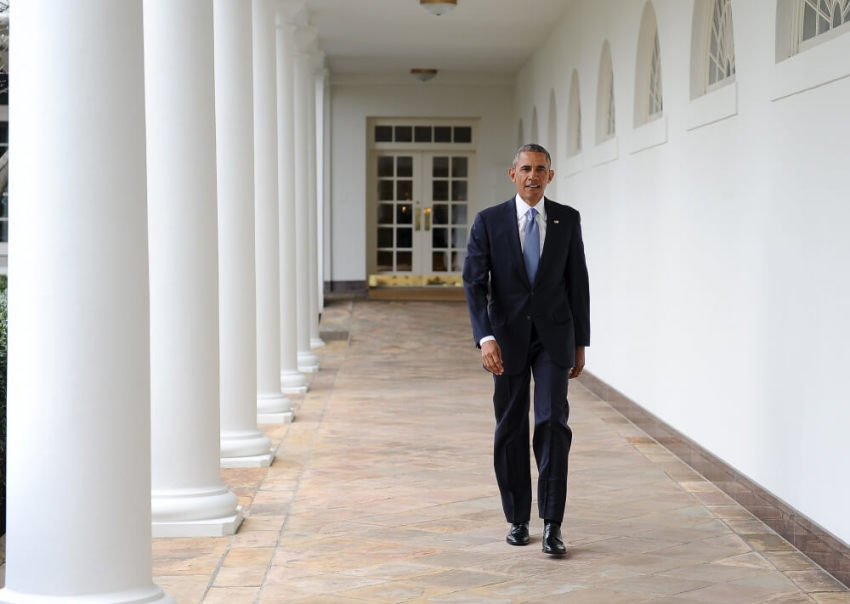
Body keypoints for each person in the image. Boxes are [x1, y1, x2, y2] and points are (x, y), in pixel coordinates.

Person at [462, 143, 590, 555]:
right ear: (512, 174)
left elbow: (578, 282)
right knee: (511, 427)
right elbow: (473, 283)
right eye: (525, 169)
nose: (533, 176)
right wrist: (485, 337)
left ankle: (552, 523)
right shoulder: (489, 221)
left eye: (540, 169)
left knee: (553, 424)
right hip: (506, 340)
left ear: (550, 176)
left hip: (554, 338)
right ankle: (518, 518)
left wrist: (580, 342)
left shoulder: (567, 219)